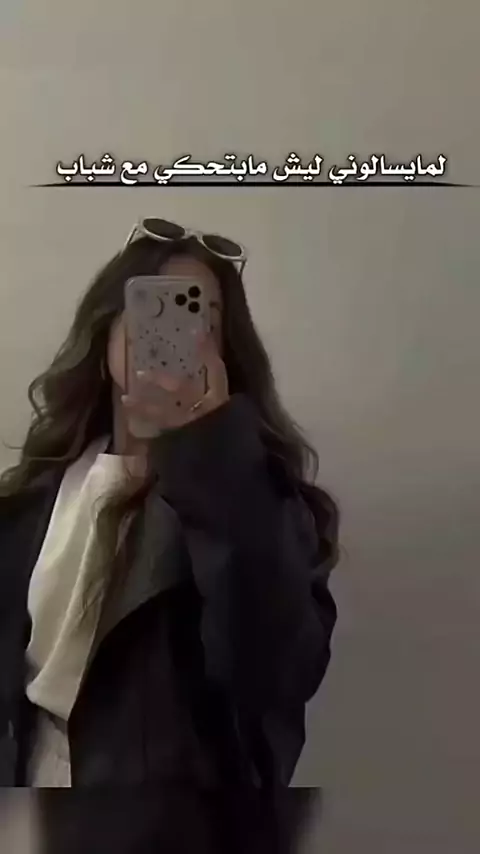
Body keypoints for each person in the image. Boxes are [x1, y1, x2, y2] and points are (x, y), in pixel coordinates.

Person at [0, 218, 338, 849]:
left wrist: (212, 454)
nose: (172, 333)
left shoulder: (257, 500)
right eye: (152, 308)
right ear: (108, 331)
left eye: (198, 318)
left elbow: (275, 672)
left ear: (224, 353)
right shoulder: (31, 500)